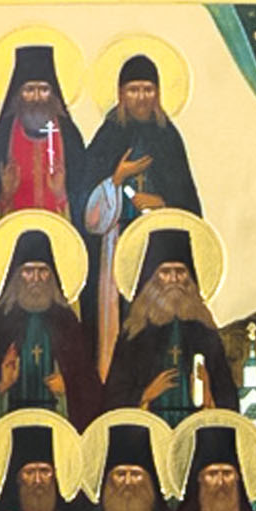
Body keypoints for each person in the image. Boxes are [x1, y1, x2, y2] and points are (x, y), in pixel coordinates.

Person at [70, 54, 202, 378]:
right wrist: (116, 179)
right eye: (133, 90)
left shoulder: (169, 137)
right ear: (120, 94)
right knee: (117, 320)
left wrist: (163, 202)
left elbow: (190, 206)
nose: (141, 97)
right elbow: (84, 208)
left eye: (147, 89)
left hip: (160, 248)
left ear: (158, 93)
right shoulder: (107, 137)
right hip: (115, 248)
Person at [0, 222, 102, 450]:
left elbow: (90, 386)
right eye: (28, 271)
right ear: (17, 275)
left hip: (59, 424)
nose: (36, 279)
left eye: (43, 271)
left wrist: (68, 389)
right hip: (9, 424)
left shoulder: (67, 322)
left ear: (52, 275)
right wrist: (2, 386)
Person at [101, 219, 239, 425]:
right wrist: (145, 394)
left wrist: (210, 396)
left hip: (196, 426)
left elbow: (227, 397)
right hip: (149, 428)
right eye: (165, 272)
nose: (174, 279)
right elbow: (114, 398)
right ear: (152, 280)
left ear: (190, 278)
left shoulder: (205, 330)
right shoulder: (135, 332)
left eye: (180, 272)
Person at [0, 46, 86, 284]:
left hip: (61, 242)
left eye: (43, 89)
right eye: (29, 90)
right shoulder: (3, 135)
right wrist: (6, 195)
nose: (36, 97)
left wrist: (62, 195)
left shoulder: (68, 136)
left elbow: (84, 200)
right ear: (18, 94)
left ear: (53, 93)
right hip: (12, 243)